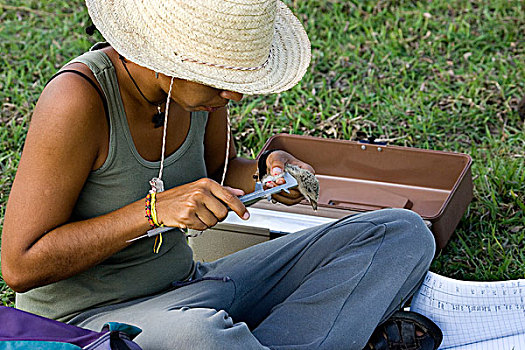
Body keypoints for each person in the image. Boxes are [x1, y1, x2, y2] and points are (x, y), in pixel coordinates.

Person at [1, 0, 441, 349]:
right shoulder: (77, 101)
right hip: (90, 321)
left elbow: (219, 171)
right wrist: (152, 213)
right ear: (168, 59)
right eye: (217, 78)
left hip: (192, 286)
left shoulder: (201, 99)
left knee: (401, 233)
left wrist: (271, 174)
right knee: (202, 338)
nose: (232, 92)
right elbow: (19, 266)